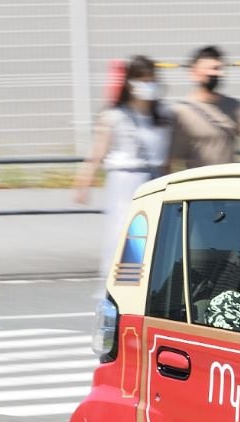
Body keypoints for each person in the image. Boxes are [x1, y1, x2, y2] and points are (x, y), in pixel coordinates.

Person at [73, 55, 170, 279]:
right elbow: (97, 152)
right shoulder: (115, 116)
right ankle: (118, 286)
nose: (149, 85)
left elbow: (165, 158)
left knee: (154, 239)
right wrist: (83, 183)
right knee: (123, 236)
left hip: (154, 179)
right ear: (130, 83)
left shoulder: (164, 116)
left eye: (152, 80)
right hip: (125, 180)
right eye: (143, 80)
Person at [166, 45, 240, 170]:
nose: (216, 73)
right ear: (194, 72)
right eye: (211, 69)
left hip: (228, 179)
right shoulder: (181, 112)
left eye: (218, 68)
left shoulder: (234, 107)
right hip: (198, 180)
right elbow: (170, 158)